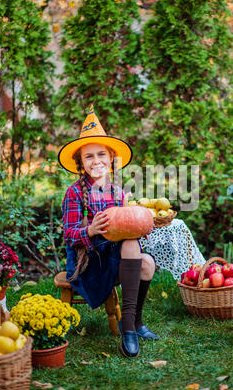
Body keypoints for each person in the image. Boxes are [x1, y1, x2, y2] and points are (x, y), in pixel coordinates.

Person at [58, 105, 158, 358]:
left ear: (111, 158)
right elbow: (68, 235)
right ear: (80, 162)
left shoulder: (119, 193)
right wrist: (90, 230)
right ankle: (129, 327)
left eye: (101, 154)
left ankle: (134, 323)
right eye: (88, 156)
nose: (96, 160)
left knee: (146, 262)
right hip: (89, 260)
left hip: (119, 256)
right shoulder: (75, 193)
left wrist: (140, 221)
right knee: (133, 248)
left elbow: (127, 226)